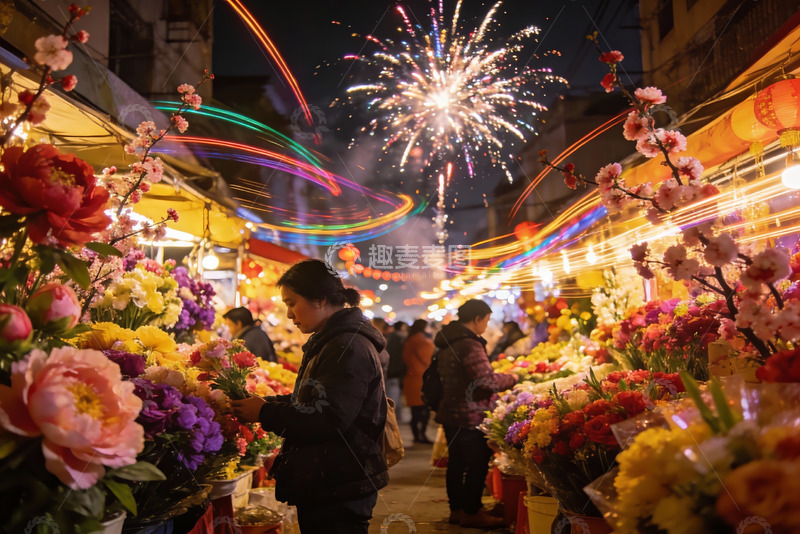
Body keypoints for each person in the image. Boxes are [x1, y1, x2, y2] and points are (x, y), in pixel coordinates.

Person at [230, 260, 388, 534]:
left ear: (320, 299)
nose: (289, 314)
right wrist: (266, 404)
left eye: (292, 303)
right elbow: (316, 400)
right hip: (330, 477)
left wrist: (264, 413)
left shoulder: (345, 346)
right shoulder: (331, 340)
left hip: (339, 481)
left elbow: (329, 418)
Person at [434, 299, 519, 529]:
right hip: (470, 414)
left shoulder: (447, 341)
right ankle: (472, 511)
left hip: (451, 410)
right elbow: (485, 381)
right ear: (477, 319)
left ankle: (458, 510)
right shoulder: (469, 344)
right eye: (487, 320)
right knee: (477, 462)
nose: (486, 325)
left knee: (457, 464)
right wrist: (512, 378)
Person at [402, 319, 435, 444]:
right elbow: (428, 359)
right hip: (422, 379)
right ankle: (422, 435)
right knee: (424, 409)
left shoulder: (409, 340)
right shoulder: (422, 341)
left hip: (410, 378)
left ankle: (417, 435)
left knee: (415, 411)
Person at [384, 320, 408, 411]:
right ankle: (392, 417)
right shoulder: (397, 338)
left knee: (394, 394)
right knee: (393, 395)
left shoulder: (393, 337)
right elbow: (395, 356)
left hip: (393, 371)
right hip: (394, 372)